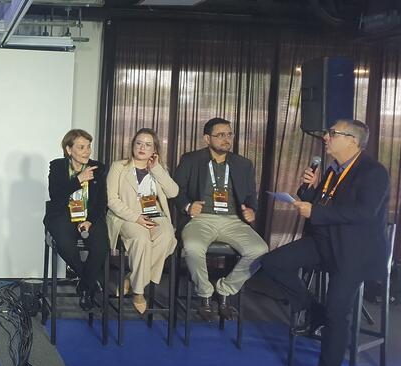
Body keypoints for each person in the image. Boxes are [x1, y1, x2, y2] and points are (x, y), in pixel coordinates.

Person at [261, 120, 389, 366]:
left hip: (354, 252)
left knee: (336, 315)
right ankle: (313, 311)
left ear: (353, 141)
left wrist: (315, 212)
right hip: (325, 243)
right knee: (272, 263)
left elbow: (364, 213)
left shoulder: (373, 172)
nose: (325, 137)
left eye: (332, 133)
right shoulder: (333, 170)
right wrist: (308, 189)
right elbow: (320, 203)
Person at [173, 117, 269, 321]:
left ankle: (225, 290)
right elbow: (176, 191)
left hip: (233, 220)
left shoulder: (243, 164)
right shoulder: (191, 160)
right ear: (207, 139)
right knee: (193, 247)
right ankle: (205, 295)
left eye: (229, 134)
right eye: (221, 135)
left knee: (260, 250)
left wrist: (251, 210)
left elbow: (251, 196)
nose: (227, 139)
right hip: (200, 219)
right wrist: (188, 206)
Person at [106, 128, 178, 314]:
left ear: (154, 149)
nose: (142, 147)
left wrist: (157, 169)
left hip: (155, 214)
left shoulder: (158, 169)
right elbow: (112, 200)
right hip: (127, 215)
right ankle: (139, 292)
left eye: (147, 145)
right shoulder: (119, 167)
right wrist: (136, 218)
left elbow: (173, 192)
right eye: (139, 143)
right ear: (133, 145)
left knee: (167, 236)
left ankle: (131, 279)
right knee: (141, 239)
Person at [44, 129, 109, 311]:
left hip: (89, 216)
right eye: (81, 147)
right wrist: (79, 179)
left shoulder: (98, 168)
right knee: (65, 243)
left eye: (88, 147)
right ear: (68, 149)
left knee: (101, 246)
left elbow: (102, 201)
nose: (86, 151)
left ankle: (84, 285)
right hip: (62, 214)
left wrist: (90, 221)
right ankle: (89, 282)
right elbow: (56, 196)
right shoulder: (57, 167)